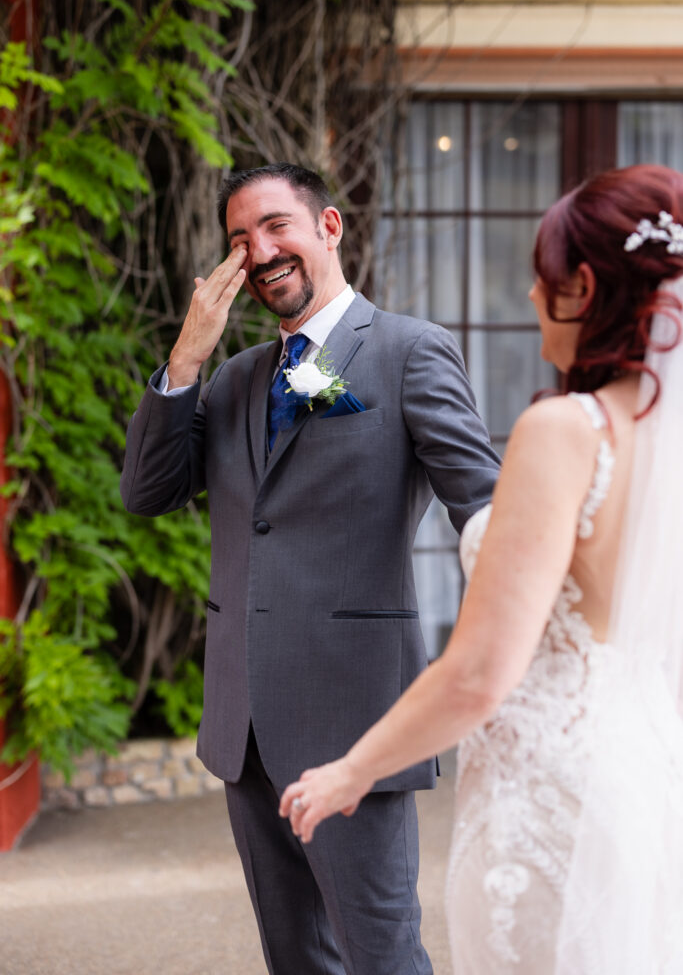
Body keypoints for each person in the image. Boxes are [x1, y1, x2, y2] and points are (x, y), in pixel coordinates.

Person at [280, 164, 683, 973]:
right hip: (643, 773)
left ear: (584, 287)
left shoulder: (565, 430)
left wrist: (350, 772)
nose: (532, 299)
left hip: (551, 797)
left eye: (543, 280)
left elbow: (479, 671)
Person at [120, 162, 500, 975]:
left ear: (328, 226)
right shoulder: (231, 378)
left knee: (381, 954)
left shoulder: (407, 353)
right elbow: (148, 492)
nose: (258, 251)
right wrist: (188, 352)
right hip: (244, 725)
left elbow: (487, 512)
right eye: (238, 239)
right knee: (294, 959)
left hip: (354, 718)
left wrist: (505, 653)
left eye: (275, 226)